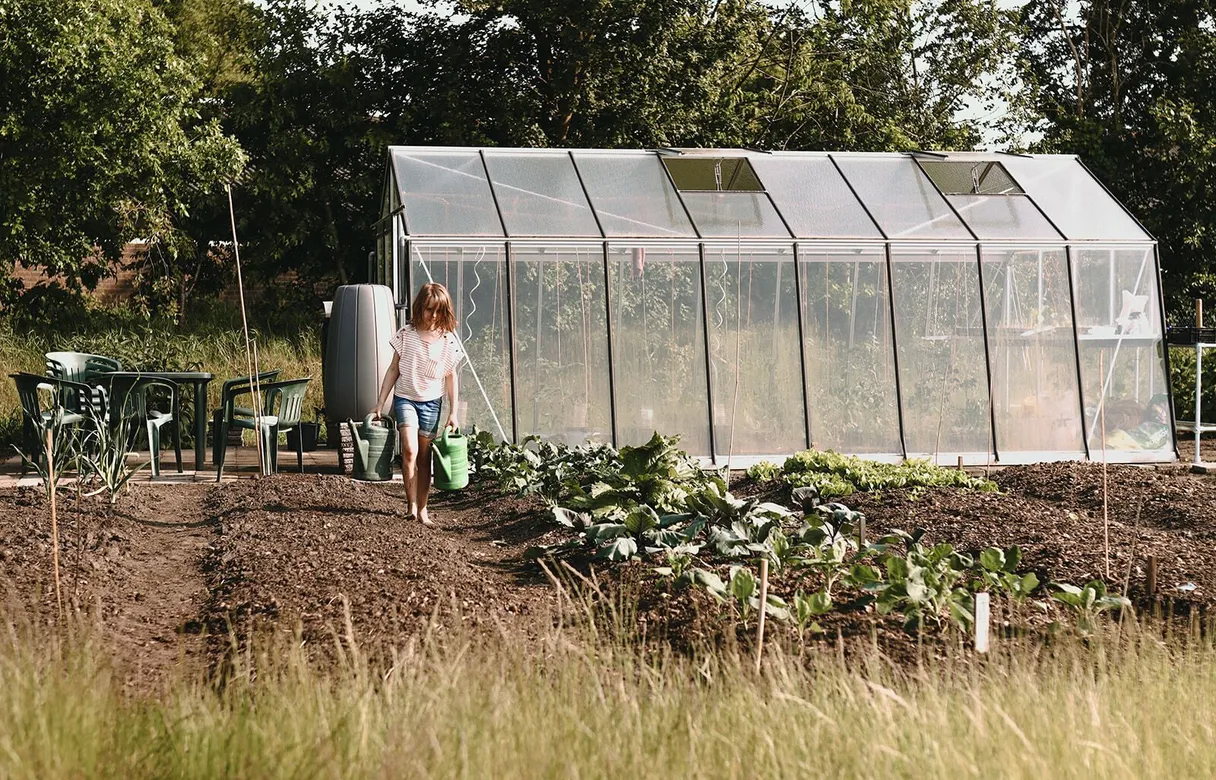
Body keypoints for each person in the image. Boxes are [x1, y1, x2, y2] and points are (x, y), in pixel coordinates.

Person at [373, 283, 464, 526]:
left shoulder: (448, 340)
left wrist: (453, 413)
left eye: (438, 311)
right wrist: (380, 403)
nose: (433, 316)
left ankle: (423, 509)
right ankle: (410, 504)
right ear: (419, 308)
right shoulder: (407, 334)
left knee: (425, 458)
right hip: (406, 399)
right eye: (428, 310)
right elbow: (393, 369)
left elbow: (451, 376)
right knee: (410, 451)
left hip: (432, 404)